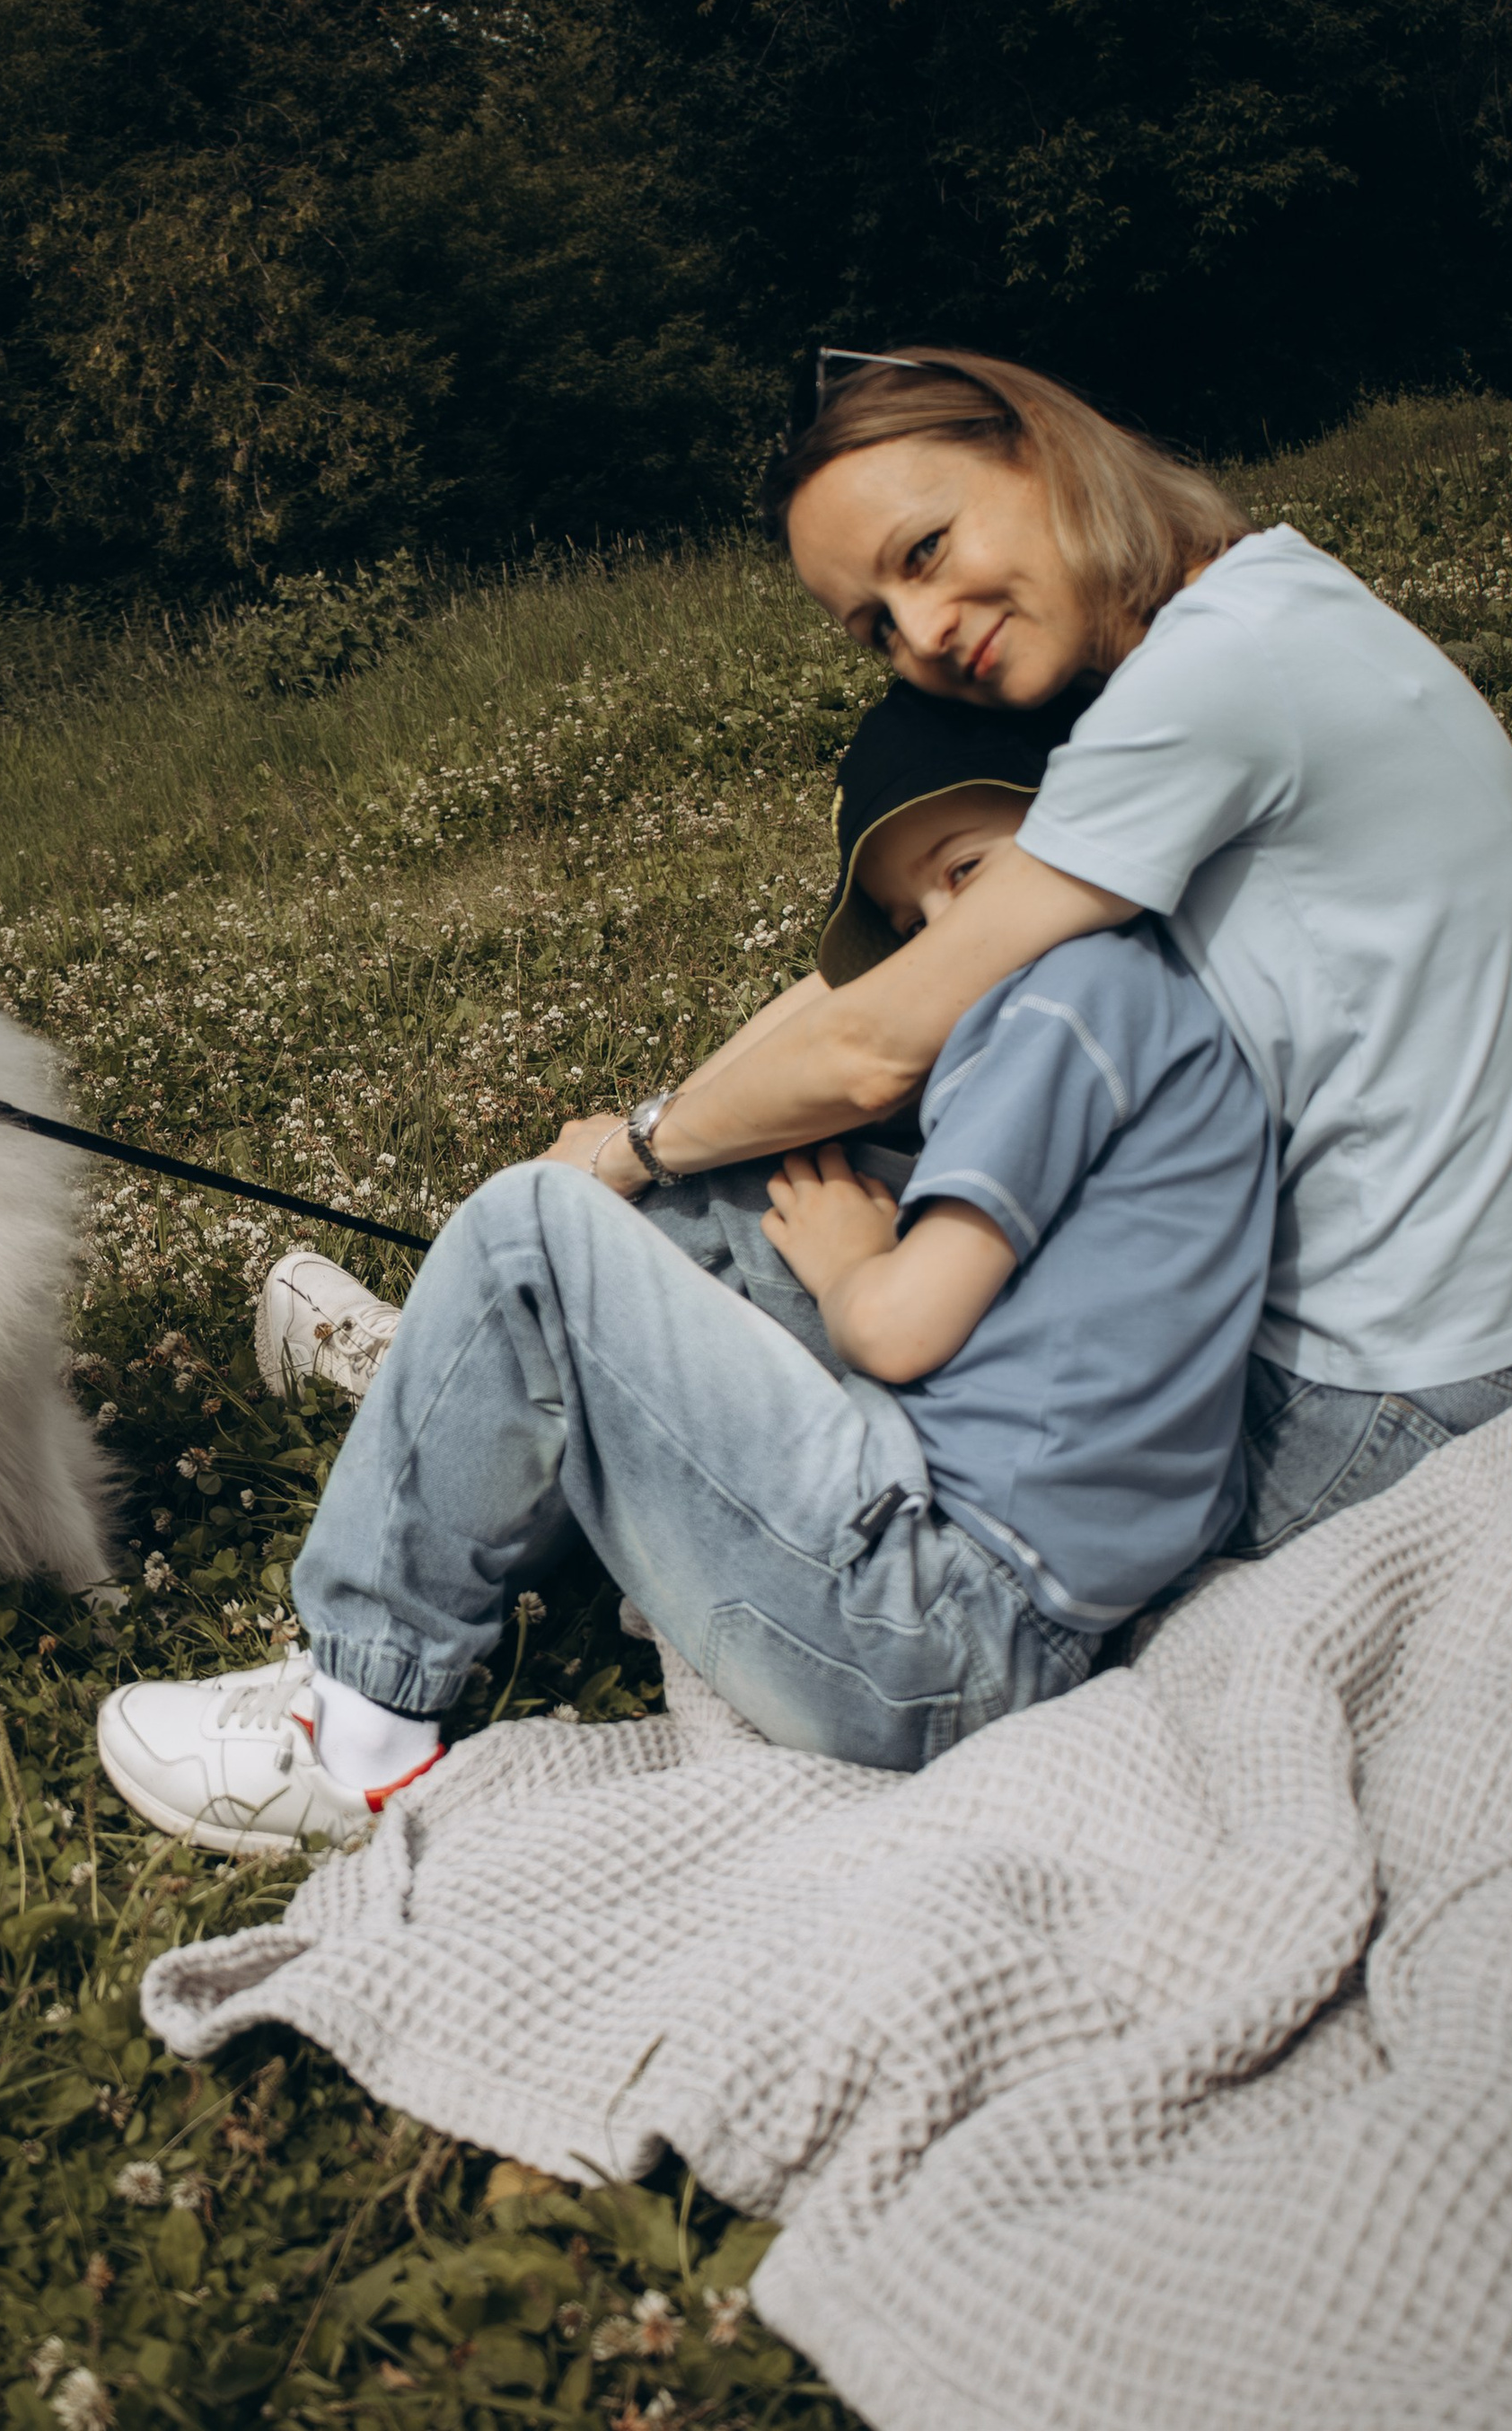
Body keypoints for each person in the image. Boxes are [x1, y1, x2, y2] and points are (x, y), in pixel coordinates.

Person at [269, 348, 1512, 1555]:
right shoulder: (1265, 605)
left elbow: (871, 1045)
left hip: (1377, 1406)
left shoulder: (1213, 683)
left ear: (1042, 447)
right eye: (877, 626)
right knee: (796, 1189)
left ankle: (442, 1432)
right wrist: (641, 1138)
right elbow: (873, 988)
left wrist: (632, 1148)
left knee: (744, 1219)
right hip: (1453, 1343)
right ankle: (483, 1384)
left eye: (927, 546)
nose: (926, 631)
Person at [94, 682, 1277, 1851]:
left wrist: (859, 1267)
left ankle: (354, 1736)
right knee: (721, 1196)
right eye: (915, 919)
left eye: (963, 873)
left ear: (1073, 826)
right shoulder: (1142, 994)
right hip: (1006, 1608)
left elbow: (903, 1328)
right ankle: (458, 1418)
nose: (943, 938)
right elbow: (843, 1020)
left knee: (535, 1231)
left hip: (941, 1643)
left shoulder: (1074, 1005)